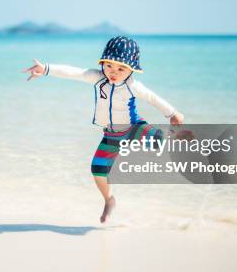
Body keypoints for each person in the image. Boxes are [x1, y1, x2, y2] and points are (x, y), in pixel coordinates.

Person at [22, 36, 184, 223]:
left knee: (159, 142)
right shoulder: (98, 78)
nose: (113, 72)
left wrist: (172, 113)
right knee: (97, 169)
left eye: (121, 68)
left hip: (133, 128)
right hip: (111, 135)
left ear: (132, 69)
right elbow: (74, 72)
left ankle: (179, 136)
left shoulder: (134, 87)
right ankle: (109, 200)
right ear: (103, 64)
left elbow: (153, 98)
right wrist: (46, 69)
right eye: (109, 66)